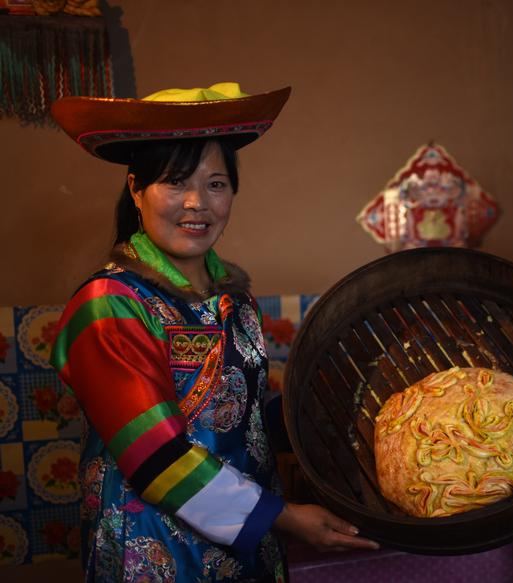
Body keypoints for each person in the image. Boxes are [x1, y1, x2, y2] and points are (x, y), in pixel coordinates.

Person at [49, 83, 378, 582]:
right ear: (136, 189)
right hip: (154, 552)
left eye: (216, 184)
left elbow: (237, 422)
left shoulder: (234, 300)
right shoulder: (111, 305)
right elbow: (156, 457)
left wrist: (336, 410)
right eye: (175, 182)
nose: (196, 203)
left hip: (245, 547)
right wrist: (285, 517)